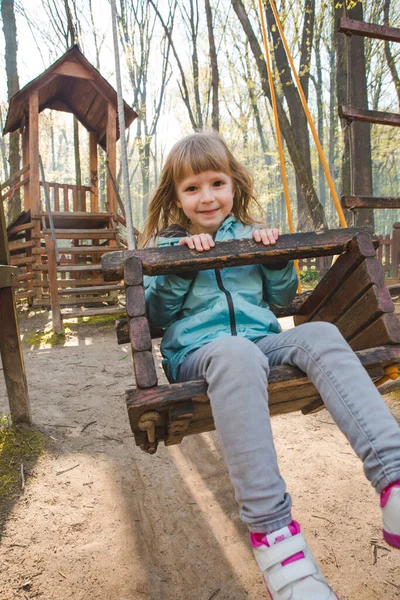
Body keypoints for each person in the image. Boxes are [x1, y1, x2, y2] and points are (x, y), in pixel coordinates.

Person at [142, 131, 400, 599]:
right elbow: (156, 317)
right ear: (176, 198)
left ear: (234, 185)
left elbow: (281, 302)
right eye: (192, 188)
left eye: (216, 183)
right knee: (235, 353)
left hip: (262, 341)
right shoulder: (170, 246)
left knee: (320, 334)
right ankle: (274, 536)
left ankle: (395, 478)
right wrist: (179, 266)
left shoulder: (251, 233)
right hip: (201, 355)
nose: (207, 197)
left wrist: (275, 257)